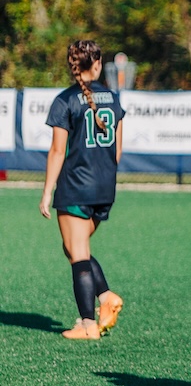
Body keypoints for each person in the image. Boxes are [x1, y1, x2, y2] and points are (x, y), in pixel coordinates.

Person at [40, 40, 126, 341]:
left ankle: (88, 324)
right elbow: (117, 151)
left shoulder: (65, 100)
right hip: (105, 187)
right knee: (76, 248)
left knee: (77, 254)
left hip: (76, 186)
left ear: (72, 65)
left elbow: (56, 151)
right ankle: (106, 297)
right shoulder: (113, 98)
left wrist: (48, 190)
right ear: (98, 64)